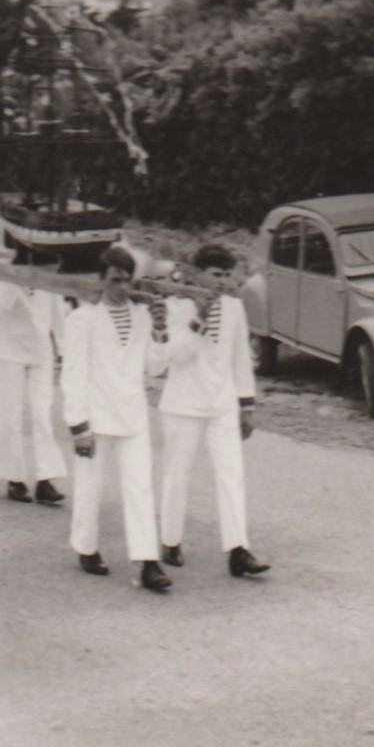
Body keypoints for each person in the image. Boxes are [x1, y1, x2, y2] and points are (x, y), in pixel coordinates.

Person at [61, 246, 172, 592]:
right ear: (101, 280)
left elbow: (155, 367)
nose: (122, 288)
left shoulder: (142, 315)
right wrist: (79, 426)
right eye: (115, 281)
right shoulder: (82, 319)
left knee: (139, 488)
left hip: (133, 415)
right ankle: (86, 546)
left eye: (127, 281)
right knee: (90, 487)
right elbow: (73, 374)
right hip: (96, 417)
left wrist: (160, 330)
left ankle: (147, 562)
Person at [157, 243, 270, 579]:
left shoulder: (234, 308)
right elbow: (175, 358)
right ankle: (170, 539)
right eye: (215, 275)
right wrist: (198, 319)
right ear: (197, 274)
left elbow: (239, 360)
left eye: (226, 276)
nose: (221, 282)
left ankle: (238, 550)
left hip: (221, 405)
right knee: (178, 474)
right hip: (183, 404)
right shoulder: (176, 304)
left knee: (231, 476)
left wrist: (246, 405)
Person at [0, 273, 68, 505]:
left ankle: (45, 479)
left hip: (41, 351)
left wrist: (65, 352)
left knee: (42, 413)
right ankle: (14, 478)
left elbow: (58, 316)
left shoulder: (48, 275)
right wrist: (13, 278)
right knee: (9, 414)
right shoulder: (5, 274)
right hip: (9, 350)